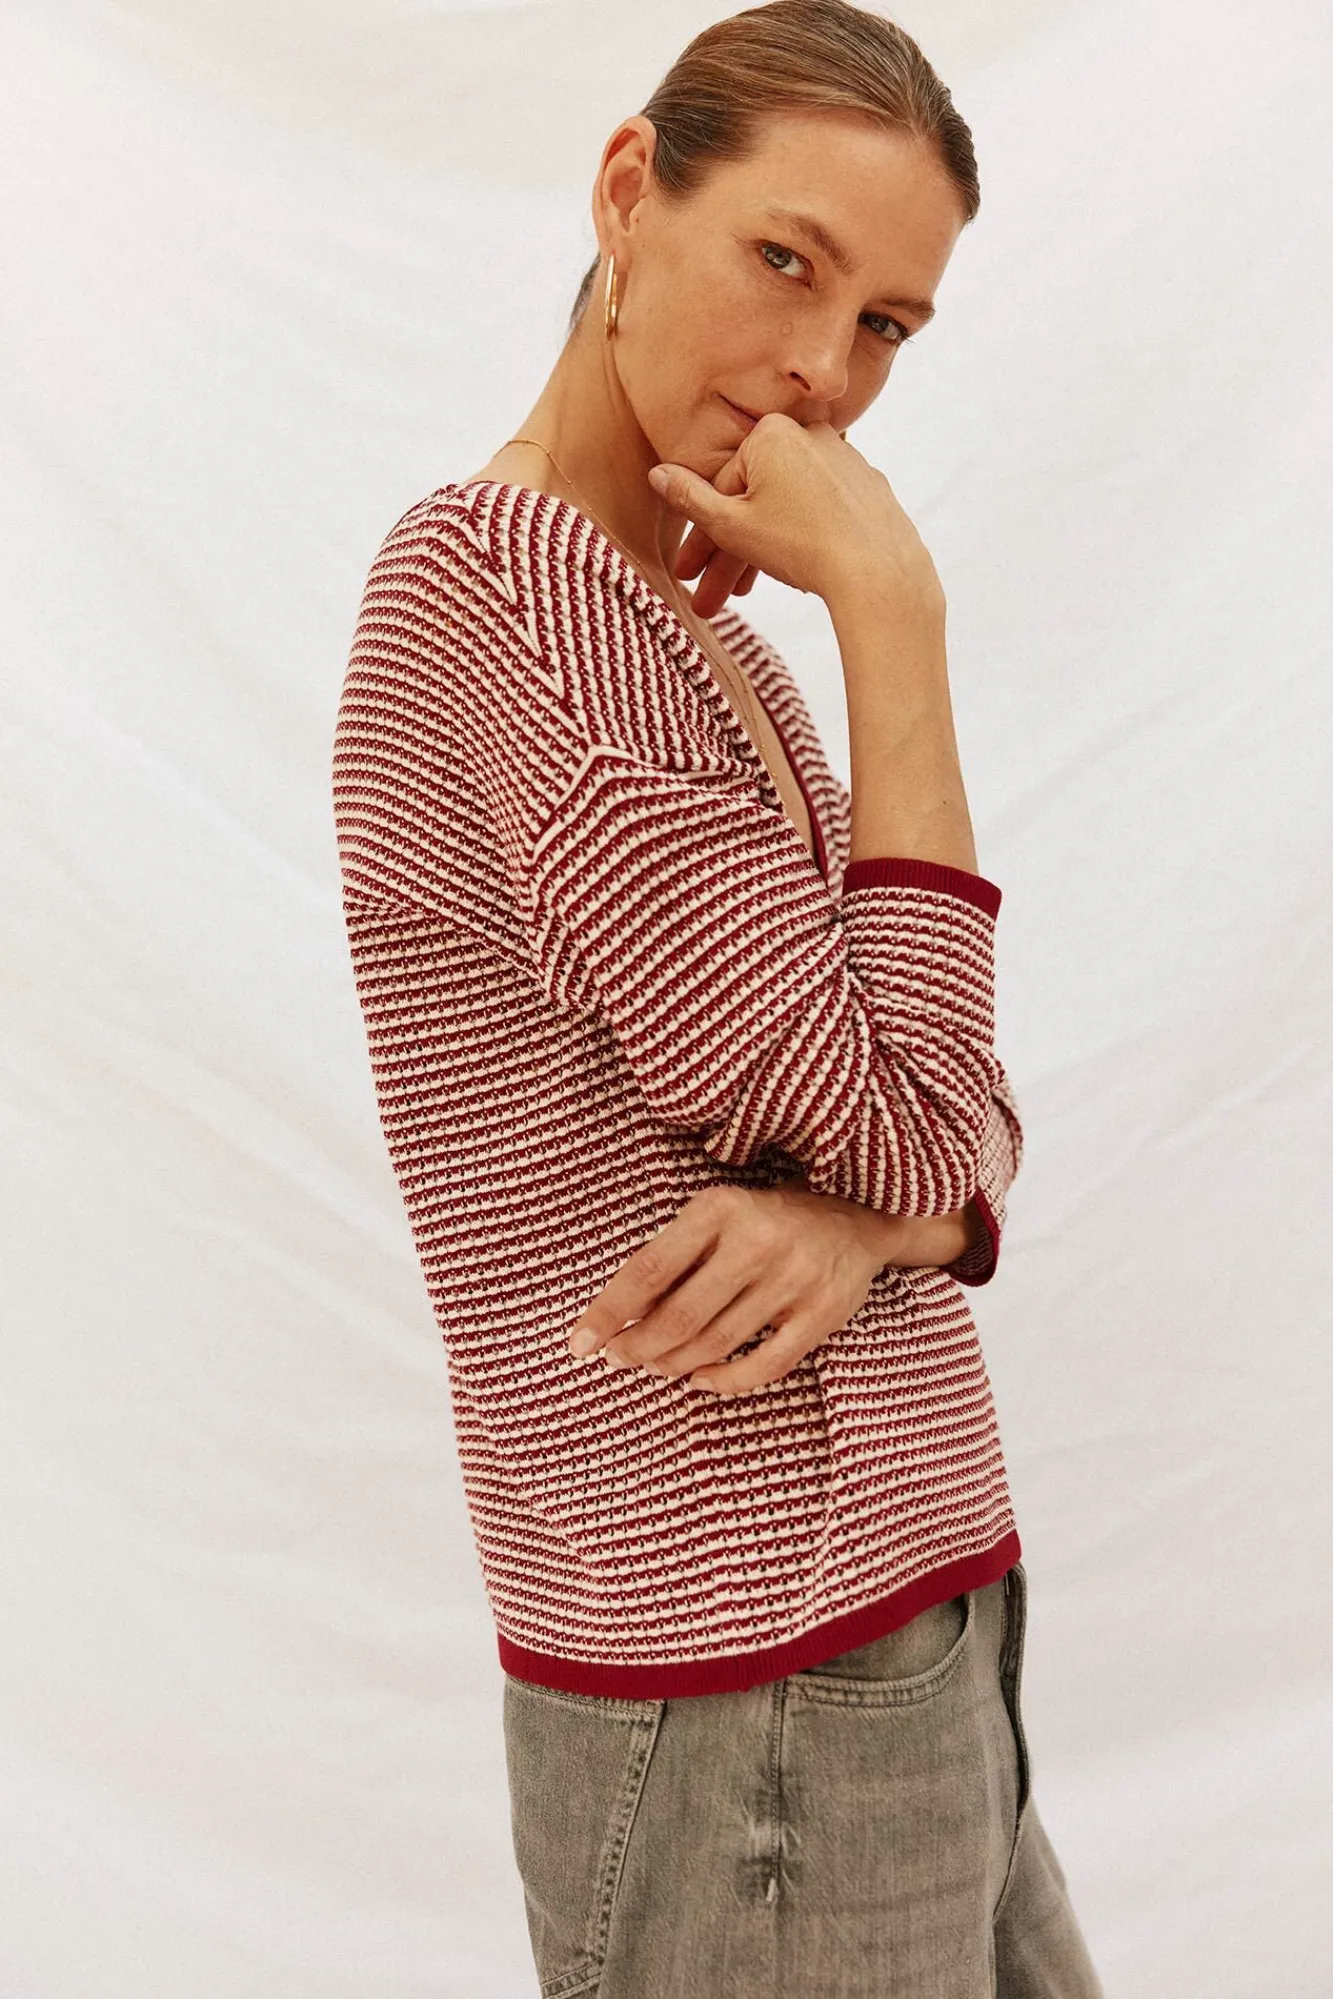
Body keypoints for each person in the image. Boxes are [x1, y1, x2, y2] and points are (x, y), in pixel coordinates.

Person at [332, 2, 1104, 1991]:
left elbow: (962, 1115)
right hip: (743, 1687)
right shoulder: (513, 610)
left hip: (909, 1623)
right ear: (626, 195)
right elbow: (925, 1118)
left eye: (887, 325)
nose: (826, 372)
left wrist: (886, 1224)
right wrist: (897, 621)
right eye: (787, 260)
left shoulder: (710, 656)